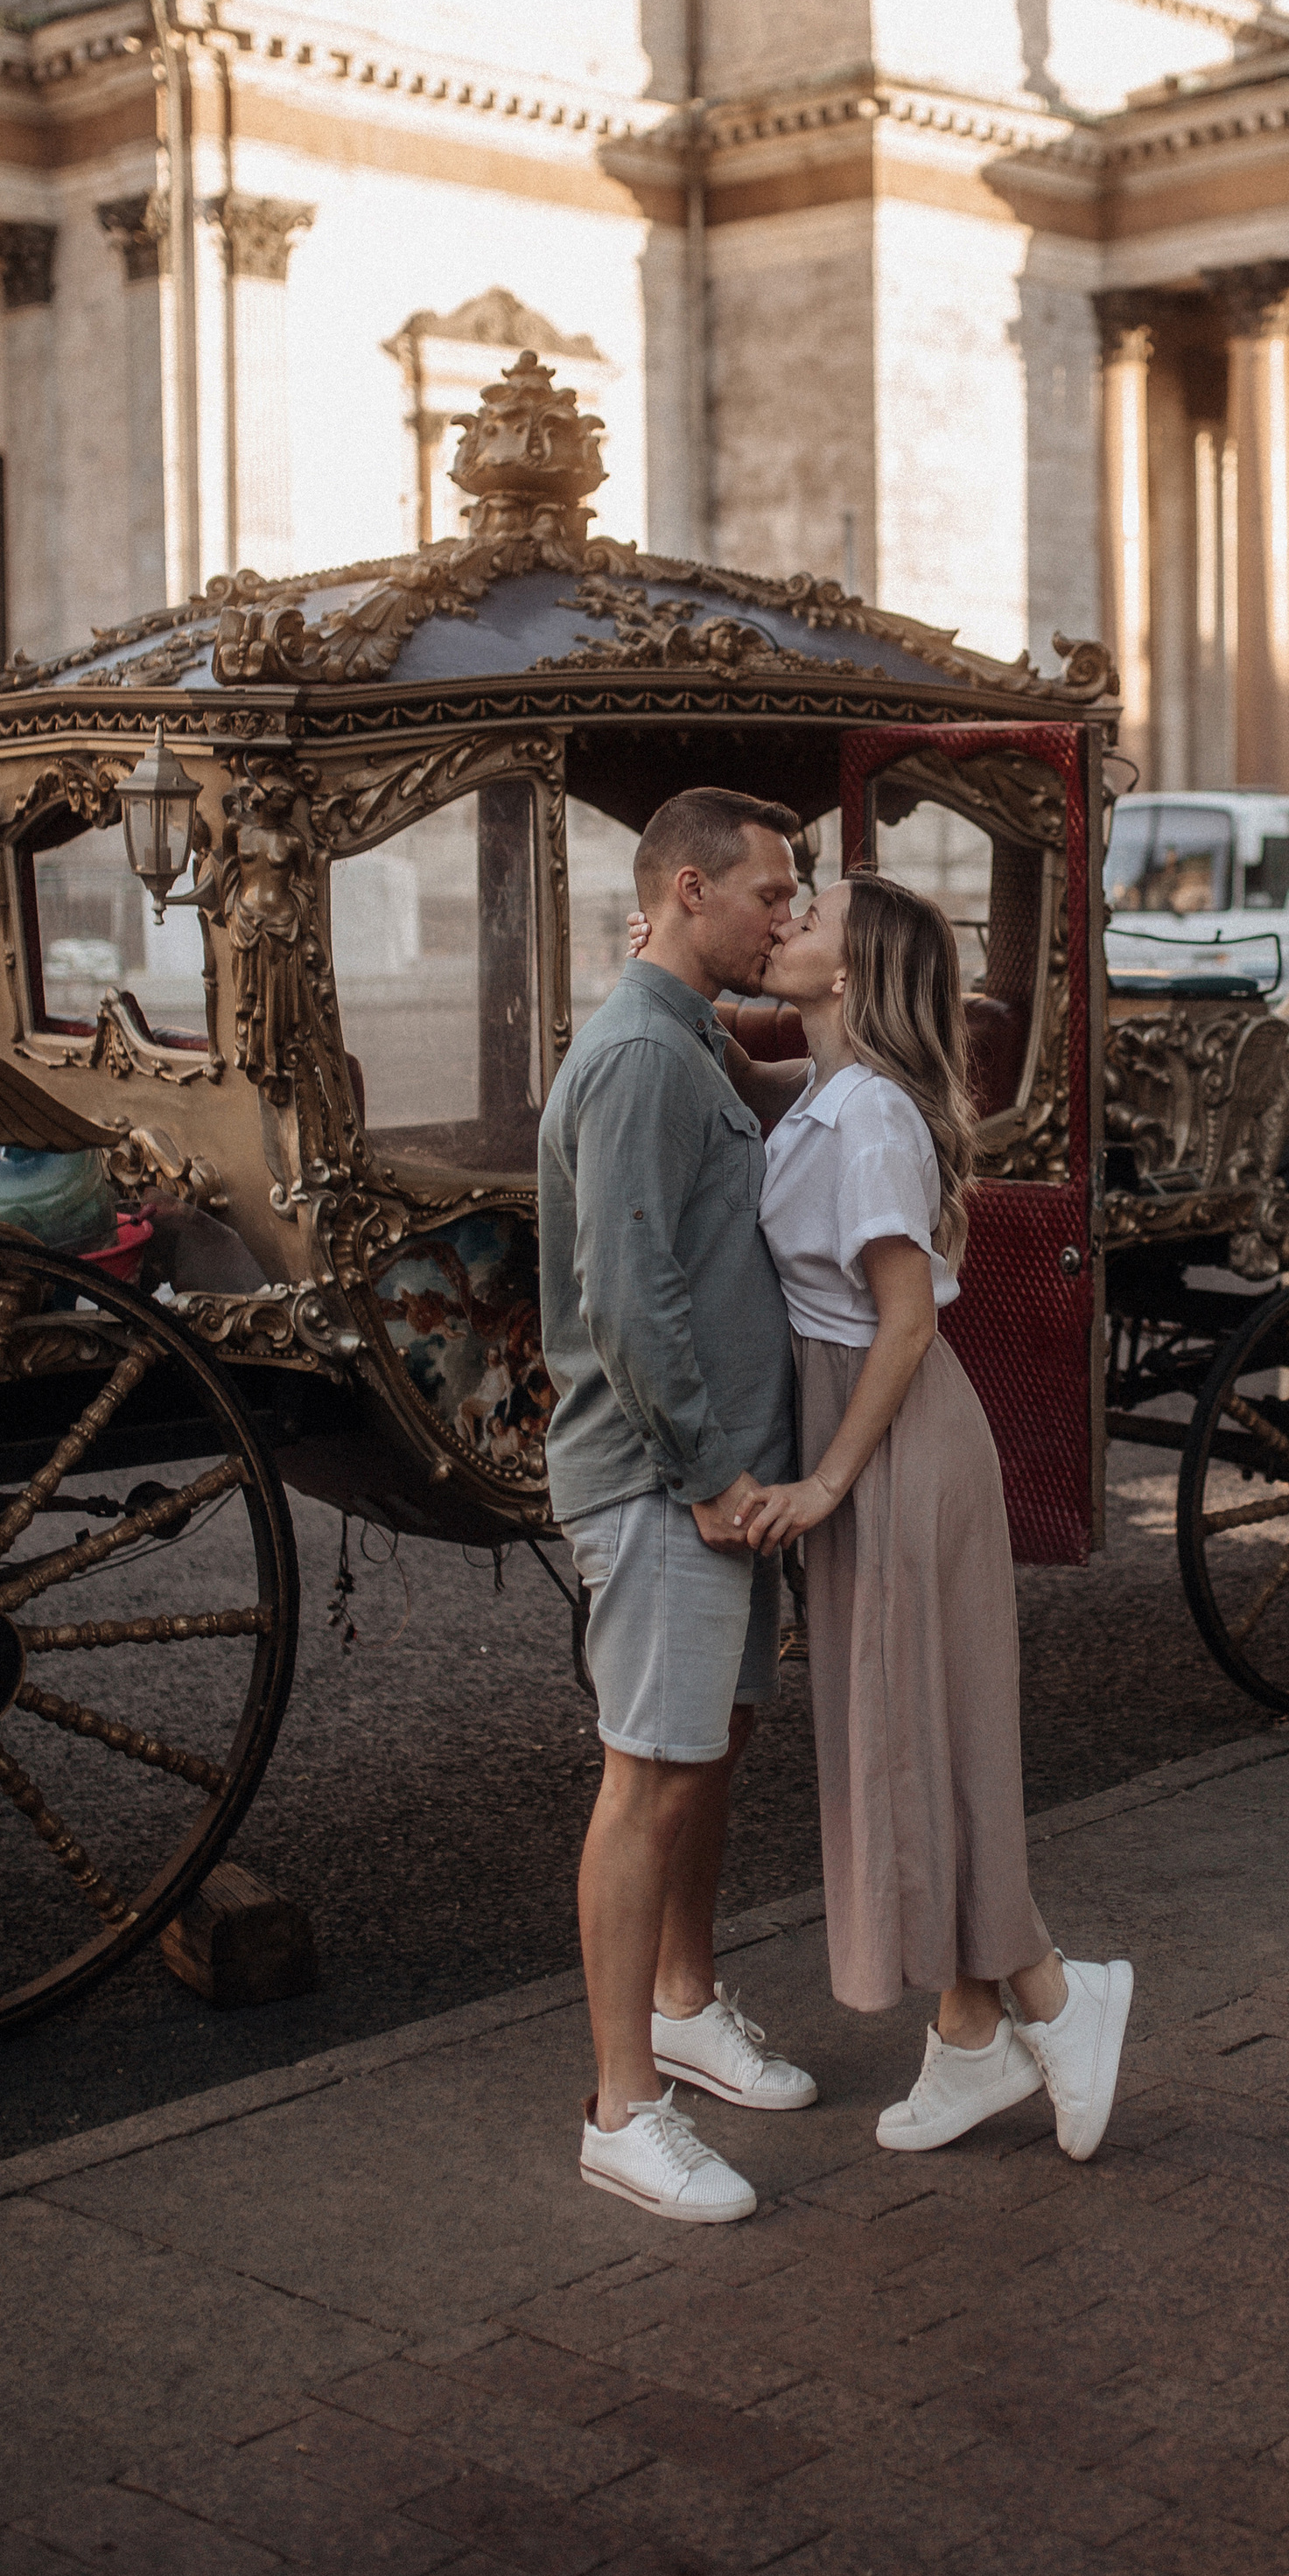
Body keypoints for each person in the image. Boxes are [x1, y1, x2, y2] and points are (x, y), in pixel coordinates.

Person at [744, 869, 1133, 2160]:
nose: (784, 923)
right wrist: (671, 973)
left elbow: (905, 1322)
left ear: (851, 976)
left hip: (892, 1441)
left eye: (806, 920)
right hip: (875, 1435)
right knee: (913, 1736)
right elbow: (747, 1093)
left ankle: (1058, 1998)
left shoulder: (867, 1123)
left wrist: (827, 1482)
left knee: (929, 1738)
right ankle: (971, 2038)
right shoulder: (833, 1096)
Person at [539, 787, 823, 2225]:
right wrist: (714, 1478)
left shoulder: (687, 1037)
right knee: (647, 1774)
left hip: (723, 1477)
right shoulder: (644, 1056)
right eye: (773, 893)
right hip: (670, 1481)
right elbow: (628, 1298)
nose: (792, 915)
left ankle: (686, 2006)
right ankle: (619, 2107)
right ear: (690, 890)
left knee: (711, 1743)